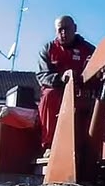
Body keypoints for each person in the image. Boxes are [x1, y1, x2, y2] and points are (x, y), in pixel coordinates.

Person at [36, 14, 96, 155]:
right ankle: (49, 144)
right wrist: (61, 79)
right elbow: (42, 75)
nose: (63, 33)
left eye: (66, 29)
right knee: (49, 95)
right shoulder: (48, 49)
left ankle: (93, 146)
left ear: (74, 28)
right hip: (57, 93)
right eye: (60, 30)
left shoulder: (89, 50)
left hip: (82, 93)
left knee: (102, 103)